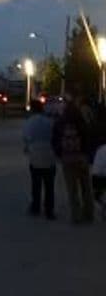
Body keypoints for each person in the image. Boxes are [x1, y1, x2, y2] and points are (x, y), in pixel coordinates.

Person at [51, 92, 95, 223]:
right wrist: (87, 154)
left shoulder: (60, 122)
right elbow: (88, 138)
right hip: (82, 157)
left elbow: (54, 141)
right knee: (86, 187)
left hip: (67, 158)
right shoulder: (81, 122)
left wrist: (60, 154)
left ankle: (76, 215)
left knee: (72, 189)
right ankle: (89, 213)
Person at [22, 97, 56, 219]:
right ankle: (49, 209)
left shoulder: (29, 122)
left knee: (36, 183)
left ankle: (36, 207)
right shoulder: (49, 121)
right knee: (49, 185)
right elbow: (54, 136)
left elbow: (26, 138)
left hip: (35, 154)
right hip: (49, 153)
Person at [91, 141, 106, 220]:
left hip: (97, 176)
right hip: (100, 176)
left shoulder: (101, 149)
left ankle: (103, 207)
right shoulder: (102, 149)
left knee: (98, 195)